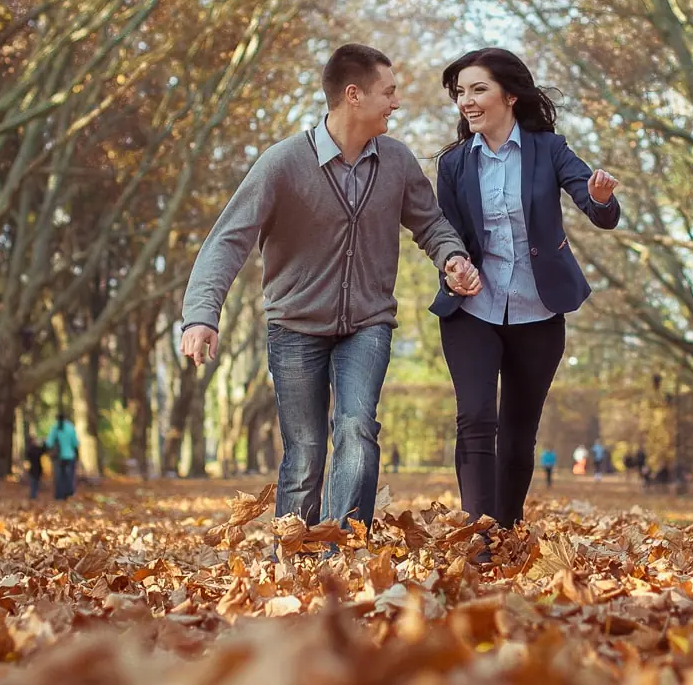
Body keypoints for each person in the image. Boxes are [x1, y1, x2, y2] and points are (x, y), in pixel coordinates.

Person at [181, 44, 479, 531]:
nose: (396, 103)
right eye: (389, 92)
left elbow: (432, 224)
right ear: (353, 95)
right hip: (295, 328)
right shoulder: (282, 163)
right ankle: (294, 553)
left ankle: (345, 544)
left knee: (357, 427)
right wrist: (200, 315)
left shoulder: (397, 161)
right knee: (305, 450)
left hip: (367, 323)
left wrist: (453, 258)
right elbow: (227, 240)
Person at [429, 47, 622, 534]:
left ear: (510, 95)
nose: (466, 102)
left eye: (478, 90)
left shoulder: (548, 149)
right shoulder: (454, 164)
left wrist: (601, 198)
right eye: (460, 94)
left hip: (539, 309)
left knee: (518, 433)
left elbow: (595, 205)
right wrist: (453, 267)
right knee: (475, 418)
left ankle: (508, 527)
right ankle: (479, 534)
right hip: (472, 308)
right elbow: (445, 236)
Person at [45, 412, 80, 500]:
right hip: (69, 456)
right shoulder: (70, 427)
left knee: (58, 476)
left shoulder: (54, 428)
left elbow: (49, 443)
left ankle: (59, 495)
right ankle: (68, 493)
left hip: (58, 457)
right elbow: (75, 443)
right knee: (69, 475)